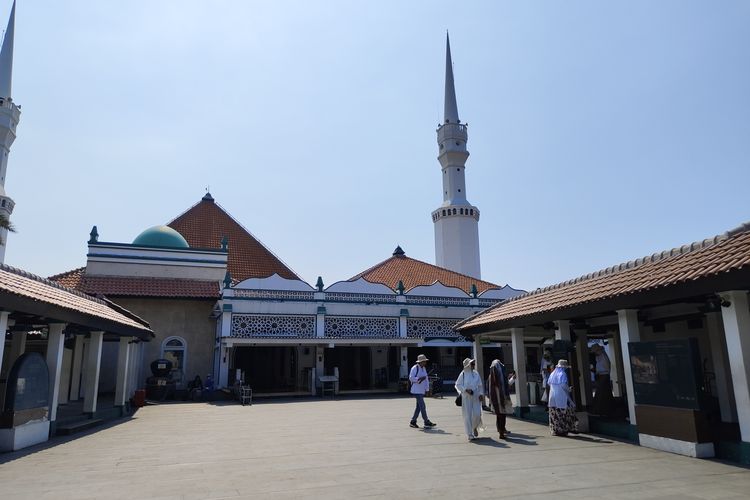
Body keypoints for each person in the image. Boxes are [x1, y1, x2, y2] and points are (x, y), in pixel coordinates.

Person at [455, 358, 485, 441]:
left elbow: (480, 385)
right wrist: (465, 390)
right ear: (468, 365)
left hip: (475, 396)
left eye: (474, 364)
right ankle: (470, 434)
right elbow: (457, 384)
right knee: (467, 415)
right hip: (466, 397)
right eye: (472, 364)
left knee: (477, 414)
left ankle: (474, 427)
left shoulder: (476, 373)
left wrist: (481, 394)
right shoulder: (463, 374)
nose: (474, 365)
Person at [547, 359, 578, 436]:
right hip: (561, 397)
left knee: (554, 415)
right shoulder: (562, 374)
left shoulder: (552, 374)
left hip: (552, 397)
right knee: (562, 414)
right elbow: (564, 385)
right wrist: (569, 389)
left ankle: (555, 430)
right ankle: (563, 430)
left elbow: (549, 383)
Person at [487, 359, 513, 439]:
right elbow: (488, 390)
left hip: (501, 399)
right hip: (498, 400)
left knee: (501, 415)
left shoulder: (497, 377)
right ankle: (501, 431)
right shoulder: (491, 378)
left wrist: (511, 378)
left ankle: (501, 430)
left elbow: (507, 383)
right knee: (500, 415)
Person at [409, 354, 436, 428]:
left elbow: (426, 379)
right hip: (416, 390)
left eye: (425, 361)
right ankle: (426, 421)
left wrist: (427, 389)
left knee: (419, 407)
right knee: (423, 406)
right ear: (420, 362)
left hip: (421, 390)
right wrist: (419, 379)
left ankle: (413, 421)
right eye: (424, 361)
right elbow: (411, 378)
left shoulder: (423, 368)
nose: (425, 362)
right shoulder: (414, 368)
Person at [591, 344, 613, 415]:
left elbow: (605, 368)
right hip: (602, 376)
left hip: (604, 376)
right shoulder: (600, 356)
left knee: (600, 394)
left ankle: (598, 410)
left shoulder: (603, 356)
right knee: (603, 394)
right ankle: (603, 411)